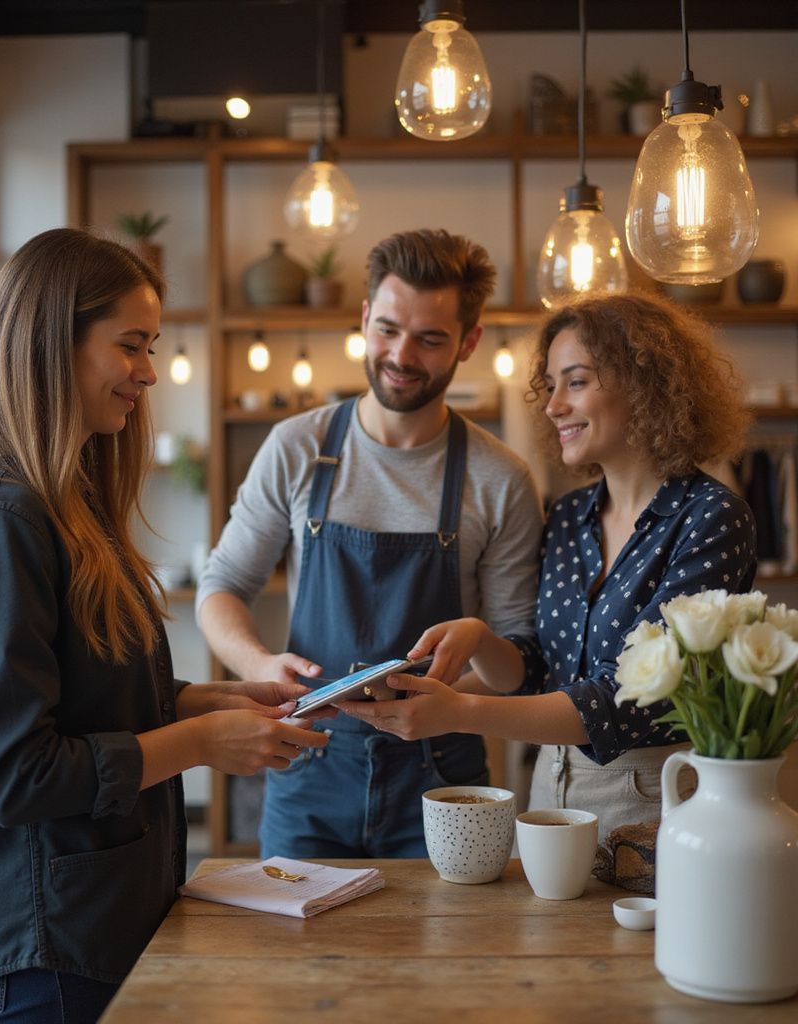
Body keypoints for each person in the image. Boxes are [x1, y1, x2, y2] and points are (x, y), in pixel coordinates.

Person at [0, 228, 327, 1024]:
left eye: (152, 345)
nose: (150, 372)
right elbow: (18, 775)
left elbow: (86, 692)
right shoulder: (2, 519)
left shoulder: (65, 506)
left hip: (92, 918)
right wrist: (199, 746)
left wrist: (209, 701)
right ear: (50, 341)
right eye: (131, 345)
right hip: (45, 943)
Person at [341, 291, 757, 840]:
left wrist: (459, 711)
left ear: (645, 384)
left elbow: (627, 701)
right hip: (550, 789)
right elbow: (540, 671)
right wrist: (482, 639)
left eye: (576, 382)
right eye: (552, 385)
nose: (554, 405)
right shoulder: (568, 516)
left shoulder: (712, 518)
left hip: (655, 798)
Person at [196, 228, 544, 858]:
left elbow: (518, 666)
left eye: (430, 338)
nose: (401, 355)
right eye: (387, 328)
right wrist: (257, 666)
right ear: (363, 318)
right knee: (300, 956)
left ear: (469, 342)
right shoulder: (297, 448)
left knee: (446, 955)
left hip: (445, 782)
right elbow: (220, 589)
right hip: (308, 766)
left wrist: (472, 656)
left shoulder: (501, 479)